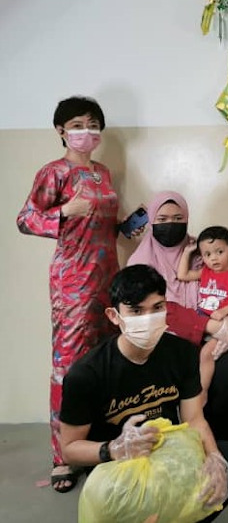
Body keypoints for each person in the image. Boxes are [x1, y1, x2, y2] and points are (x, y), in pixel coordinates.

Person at [59, 265, 228, 520]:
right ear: (114, 315)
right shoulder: (86, 373)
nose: (148, 318)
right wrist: (113, 449)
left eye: (157, 308)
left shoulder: (182, 353)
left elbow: (194, 418)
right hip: (118, 460)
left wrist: (215, 458)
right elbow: (70, 449)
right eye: (136, 311)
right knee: (121, 500)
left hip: (169, 449)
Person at [17, 96, 139, 492]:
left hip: (108, 278)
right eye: (77, 124)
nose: (86, 131)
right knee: (68, 368)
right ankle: (62, 456)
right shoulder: (54, 173)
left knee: (107, 361)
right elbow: (25, 219)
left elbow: (99, 223)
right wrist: (64, 212)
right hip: (72, 282)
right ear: (61, 131)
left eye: (92, 123)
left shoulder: (103, 173)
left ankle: (102, 443)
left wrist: (125, 227)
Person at [128, 191, 228, 443]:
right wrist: (206, 323)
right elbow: (150, 310)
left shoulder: (202, 251)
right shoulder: (139, 261)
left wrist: (220, 323)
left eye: (177, 217)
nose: (170, 224)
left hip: (209, 337)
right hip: (163, 341)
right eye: (162, 218)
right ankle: (176, 443)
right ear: (151, 221)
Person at [178, 226, 228, 405]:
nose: (214, 258)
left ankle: (201, 393)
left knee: (206, 354)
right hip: (207, 323)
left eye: (219, 251)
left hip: (227, 325)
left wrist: (224, 311)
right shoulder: (205, 272)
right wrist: (187, 252)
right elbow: (182, 275)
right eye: (207, 254)